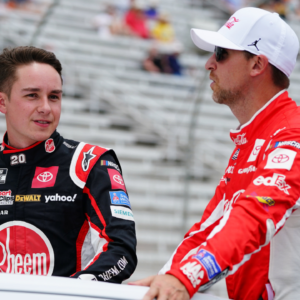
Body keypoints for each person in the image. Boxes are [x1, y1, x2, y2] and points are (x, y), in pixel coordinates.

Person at [131, 7, 300, 300]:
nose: (209, 63)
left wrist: (185, 278)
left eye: (221, 53)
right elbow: (208, 228)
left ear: (257, 64)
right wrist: (168, 277)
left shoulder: (291, 133)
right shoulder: (254, 137)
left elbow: (256, 214)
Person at [0, 46, 137, 282]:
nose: (46, 107)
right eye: (32, 95)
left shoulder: (91, 162)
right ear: (3, 103)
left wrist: (73, 290)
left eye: (54, 96)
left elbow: (120, 251)